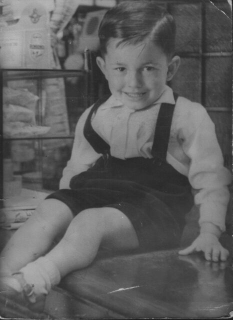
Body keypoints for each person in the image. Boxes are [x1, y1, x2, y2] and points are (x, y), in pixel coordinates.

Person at [0, 0, 231, 312]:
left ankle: (36, 278)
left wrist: (209, 232)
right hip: (97, 198)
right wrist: (60, 213)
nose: (133, 83)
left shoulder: (187, 116)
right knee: (49, 209)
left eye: (148, 68)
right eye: (121, 69)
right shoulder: (95, 115)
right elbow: (75, 172)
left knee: (89, 222)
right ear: (102, 67)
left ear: (171, 67)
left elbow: (211, 180)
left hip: (152, 213)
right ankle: (4, 282)